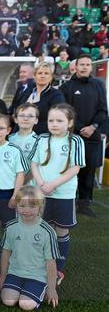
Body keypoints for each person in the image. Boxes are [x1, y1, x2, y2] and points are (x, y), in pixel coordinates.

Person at [30, 103, 85, 285]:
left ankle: (59, 268)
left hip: (63, 195)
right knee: (42, 229)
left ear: (69, 123)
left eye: (59, 120)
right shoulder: (42, 139)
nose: (54, 124)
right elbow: (34, 164)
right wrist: (42, 184)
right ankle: (39, 263)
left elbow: (75, 168)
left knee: (61, 230)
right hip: (42, 193)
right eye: (51, 120)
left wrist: (53, 184)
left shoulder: (75, 141)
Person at [60, 54, 109, 217]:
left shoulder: (99, 85)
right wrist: (81, 128)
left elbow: (103, 110)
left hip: (92, 136)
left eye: (88, 64)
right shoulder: (66, 87)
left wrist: (94, 127)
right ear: (76, 66)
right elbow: (65, 112)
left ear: (90, 67)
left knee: (88, 172)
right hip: (72, 136)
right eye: (82, 64)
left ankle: (84, 204)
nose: (85, 67)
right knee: (71, 171)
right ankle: (69, 201)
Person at [0, 186, 59, 311]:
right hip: (15, 272)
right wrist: (3, 275)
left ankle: (43, 287)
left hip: (37, 275)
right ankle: (20, 288)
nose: (27, 210)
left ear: (40, 207)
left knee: (26, 305)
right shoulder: (11, 227)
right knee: (8, 300)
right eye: (22, 205)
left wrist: (52, 289)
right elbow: (6, 252)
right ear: (17, 205)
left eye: (32, 206)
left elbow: (50, 262)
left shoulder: (48, 231)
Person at [0, 113, 28, 226]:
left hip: (9, 195)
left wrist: (15, 196)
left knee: (11, 226)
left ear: (8, 130)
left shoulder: (15, 150)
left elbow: (20, 175)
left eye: (1, 128)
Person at [17, 62, 65, 134]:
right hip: (22, 134)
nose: (43, 76)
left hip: (43, 136)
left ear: (51, 77)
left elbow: (57, 119)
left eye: (46, 73)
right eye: (40, 73)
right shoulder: (26, 92)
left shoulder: (56, 95)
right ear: (34, 76)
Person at [9, 103, 40, 183]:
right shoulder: (9, 139)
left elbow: (36, 167)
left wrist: (22, 183)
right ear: (15, 119)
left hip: (28, 186)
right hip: (9, 184)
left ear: (36, 120)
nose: (25, 118)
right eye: (22, 115)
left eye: (30, 116)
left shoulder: (39, 141)